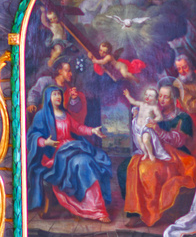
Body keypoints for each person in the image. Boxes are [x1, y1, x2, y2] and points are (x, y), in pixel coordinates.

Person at [122, 83, 196, 227]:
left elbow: (179, 141)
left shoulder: (183, 118)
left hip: (175, 154)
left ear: (174, 99)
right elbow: (141, 118)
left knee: (149, 171)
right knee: (124, 169)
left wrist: (158, 130)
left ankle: (150, 212)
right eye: (160, 96)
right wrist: (137, 115)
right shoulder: (153, 111)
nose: (161, 99)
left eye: (166, 97)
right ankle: (135, 213)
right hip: (153, 149)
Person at [27, 86, 112, 222]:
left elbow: (77, 128)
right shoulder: (41, 115)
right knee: (82, 163)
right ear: (48, 97)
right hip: (55, 154)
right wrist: (45, 142)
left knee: (90, 161)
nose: (58, 97)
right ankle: (95, 210)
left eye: (59, 94)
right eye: (54, 94)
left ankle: (96, 208)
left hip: (72, 147)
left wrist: (92, 131)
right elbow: (32, 136)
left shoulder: (65, 114)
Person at [27, 59, 87, 125]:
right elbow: (34, 92)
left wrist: (74, 99)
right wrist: (32, 103)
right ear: (60, 71)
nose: (71, 74)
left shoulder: (68, 89)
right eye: (68, 71)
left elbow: (73, 111)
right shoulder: (45, 81)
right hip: (43, 121)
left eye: (71, 71)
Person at [124, 85, 169, 162]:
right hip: (137, 127)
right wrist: (128, 95)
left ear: (155, 99)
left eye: (150, 96)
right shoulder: (142, 104)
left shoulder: (154, 107)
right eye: (146, 94)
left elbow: (160, 117)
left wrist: (154, 120)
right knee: (141, 143)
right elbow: (133, 102)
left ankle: (151, 154)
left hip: (146, 128)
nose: (147, 97)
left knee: (145, 140)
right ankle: (146, 153)